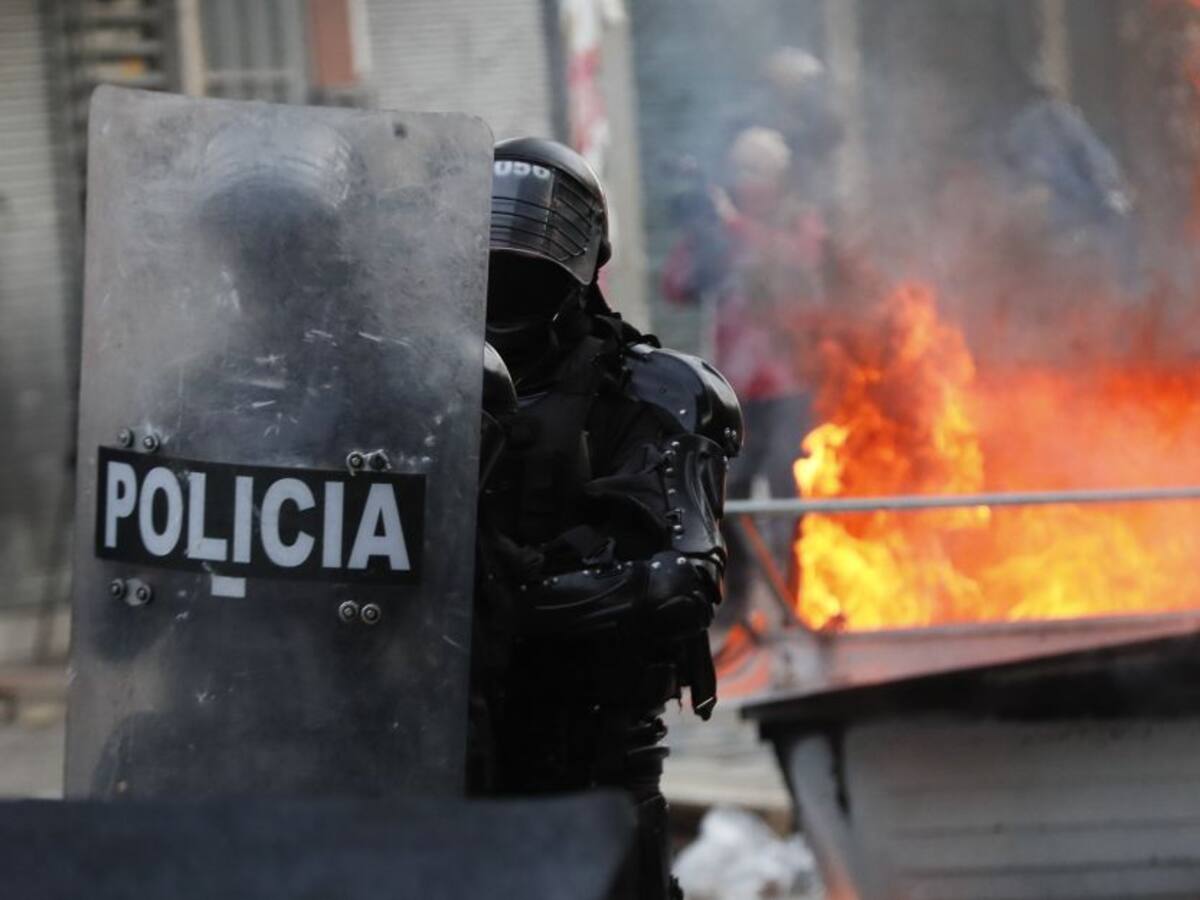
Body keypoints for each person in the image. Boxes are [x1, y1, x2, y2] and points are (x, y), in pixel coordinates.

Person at [470, 137, 743, 900]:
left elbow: (680, 579)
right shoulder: (402, 380)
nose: (506, 285)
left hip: (586, 761)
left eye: (526, 270)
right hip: (426, 748)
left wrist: (500, 600)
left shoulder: (651, 394)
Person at [662, 126, 825, 625]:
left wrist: (734, 228)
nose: (742, 179)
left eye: (753, 169)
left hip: (791, 385)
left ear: (778, 175)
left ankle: (795, 599)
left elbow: (795, 269)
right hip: (736, 388)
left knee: (789, 493)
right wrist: (700, 235)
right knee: (724, 494)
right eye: (737, 168)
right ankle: (743, 596)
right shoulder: (721, 224)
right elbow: (676, 286)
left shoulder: (799, 220)